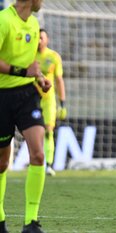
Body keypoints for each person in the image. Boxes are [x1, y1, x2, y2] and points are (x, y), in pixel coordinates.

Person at [0, 1, 51, 233]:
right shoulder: (3, 20)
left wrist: (40, 78)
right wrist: (22, 72)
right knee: (1, 162)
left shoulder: (33, 22)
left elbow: (31, 62)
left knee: (38, 154)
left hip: (27, 95)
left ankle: (31, 222)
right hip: (2, 96)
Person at [36, 28, 67, 176]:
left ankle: (48, 164)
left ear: (47, 39)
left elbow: (59, 80)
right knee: (34, 133)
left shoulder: (54, 57)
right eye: (37, 37)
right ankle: (35, 161)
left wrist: (63, 103)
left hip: (48, 101)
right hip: (31, 100)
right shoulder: (28, 55)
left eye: (42, 38)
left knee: (48, 131)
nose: (39, 40)